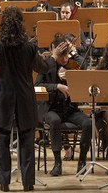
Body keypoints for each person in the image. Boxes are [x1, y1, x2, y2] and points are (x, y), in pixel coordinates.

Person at [0, 7, 48, 191]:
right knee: (27, 140)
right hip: (24, 95)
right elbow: (43, 68)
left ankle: (4, 183)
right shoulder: (30, 47)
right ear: (21, 24)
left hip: (3, 96)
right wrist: (49, 58)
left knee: (3, 141)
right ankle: (28, 183)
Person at [36, 34, 92, 176]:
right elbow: (38, 85)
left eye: (67, 54)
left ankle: (82, 161)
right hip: (50, 108)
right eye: (61, 55)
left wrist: (73, 51)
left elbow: (83, 69)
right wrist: (57, 86)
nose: (65, 59)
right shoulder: (47, 65)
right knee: (54, 121)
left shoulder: (72, 65)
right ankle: (57, 163)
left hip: (70, 109)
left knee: (88, 123)